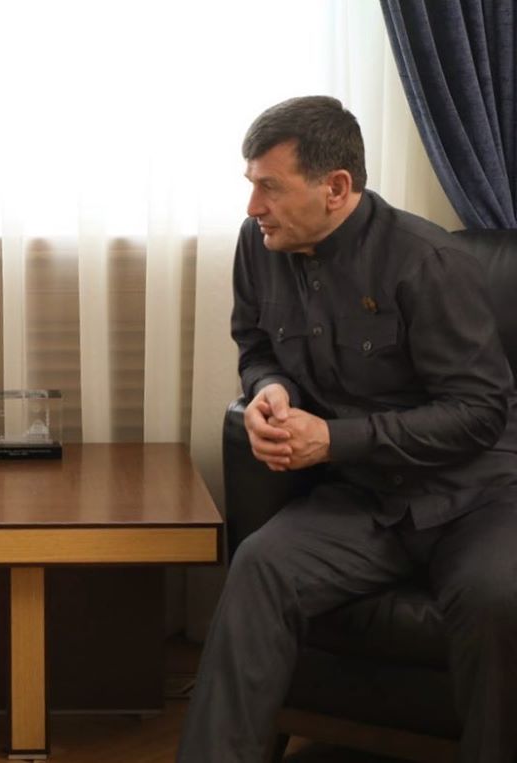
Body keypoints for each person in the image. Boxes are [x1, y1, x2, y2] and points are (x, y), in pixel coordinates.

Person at [177, 96, 517, 762]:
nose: (253, 206)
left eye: (270, 187)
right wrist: (269, 390)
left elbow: (479, 412)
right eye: (251, 185)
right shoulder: (260, 244)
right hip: (365, 498)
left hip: (476, 497)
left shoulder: (428, 261)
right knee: (260, 565)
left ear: (335, 188)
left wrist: (332, 440)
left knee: (501, 601)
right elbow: (255, 342)